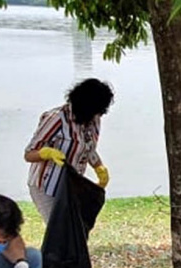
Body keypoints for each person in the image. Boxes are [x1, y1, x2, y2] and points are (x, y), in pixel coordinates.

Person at [24, 78, 114, 224]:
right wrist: (46, 153)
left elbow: (88, 147)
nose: (96, 117)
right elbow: (29, 154)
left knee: (76, 228)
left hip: (72, 185)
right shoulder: (56, 118)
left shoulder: (94, 118)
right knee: (59, 229)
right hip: (46, 186)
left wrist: (99, 167)